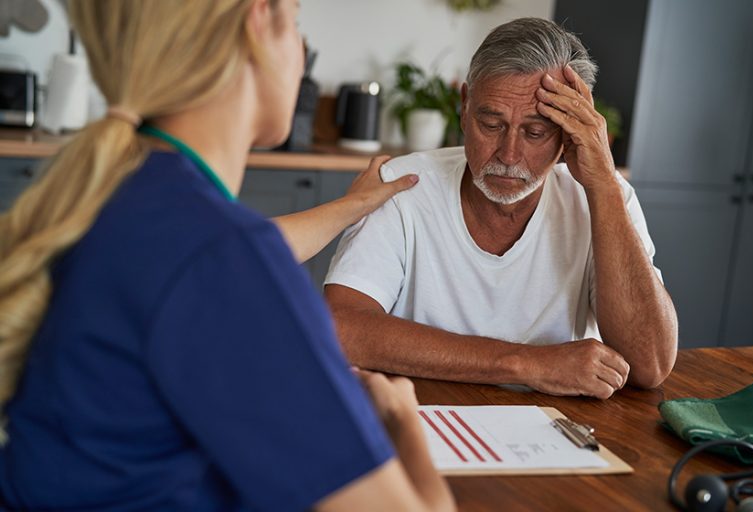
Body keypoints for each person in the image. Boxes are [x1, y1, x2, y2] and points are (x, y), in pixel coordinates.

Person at [0, 1, 455, 511]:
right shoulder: (218, 254)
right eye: (295, 23)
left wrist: (350, 208)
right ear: (258, 22)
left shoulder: (119, 194)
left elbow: (216, 257)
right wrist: (401, 417)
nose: (301, 49)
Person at [325, 17, 678, 400]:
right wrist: (525, 363)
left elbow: (650, 365)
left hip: (558, 426)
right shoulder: (402, 185)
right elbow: (341, 329)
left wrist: (604, 187)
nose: (509, 156)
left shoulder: (606, 196)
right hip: (419, 417)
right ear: (464, 107)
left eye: (535, 132)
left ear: (569, 132)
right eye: (492, 124)